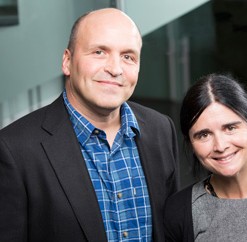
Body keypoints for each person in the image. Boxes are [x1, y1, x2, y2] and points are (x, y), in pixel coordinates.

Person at [0, 8, 179, 242]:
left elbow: (174, 229)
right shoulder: (15, 149)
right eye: (99, 52)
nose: (115, 69)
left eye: (128, 57)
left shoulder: (161, 129)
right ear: (67, 61)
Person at [164, 73, 247, 241]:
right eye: (204, 135)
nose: (220, 146)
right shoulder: (178, 212)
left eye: (230, 128)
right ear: (191, 143)